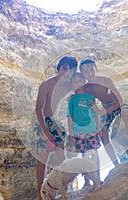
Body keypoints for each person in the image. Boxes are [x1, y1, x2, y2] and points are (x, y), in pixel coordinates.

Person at [79, 58, 128, 167]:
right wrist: (73, 96)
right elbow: (81, 97)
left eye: (92, 69)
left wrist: (107, 110)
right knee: (103, 134)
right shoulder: (87, 88)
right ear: (83, 75)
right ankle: (116, 164)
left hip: (118, 103)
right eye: (86, 72)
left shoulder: (106, 80)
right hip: (106, 109)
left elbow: (119, 97)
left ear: (96, 69)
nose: (90, 73)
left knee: (126, 113)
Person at [35, 55, 78, 200]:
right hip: (43, 122)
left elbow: (82, 86)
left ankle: (66, 191)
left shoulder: (69, 85)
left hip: (56, 122)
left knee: (62, 158)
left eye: (70, 70)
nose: (66, 72)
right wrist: (45, 131)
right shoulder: (46, 84)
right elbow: (38, 109)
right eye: (64, 68)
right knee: (43, 158)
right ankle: (40, 194)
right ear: (59, 68)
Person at [67, 72, 101, 189]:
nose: (77, 83)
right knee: (83, 156)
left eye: (79, 80)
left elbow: (95, 112)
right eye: (74, 81)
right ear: (71, 84)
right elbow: (70, 116)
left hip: (91, 130)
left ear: (84, 81)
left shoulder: (90, 97)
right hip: (79, 132)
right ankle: (87, 181)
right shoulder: (72, 100)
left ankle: (98, 178)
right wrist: (71, 132)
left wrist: (98, 127)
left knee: (94, 154)